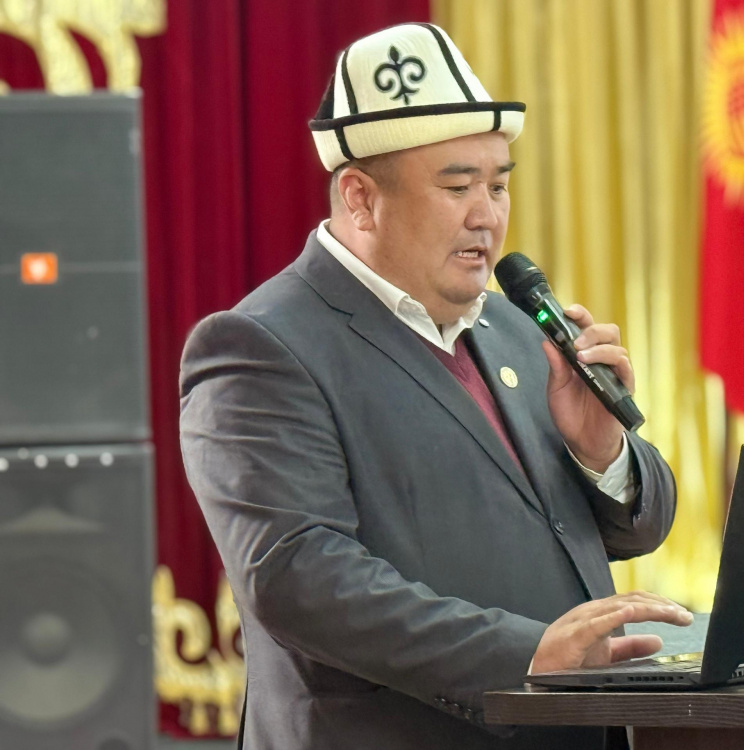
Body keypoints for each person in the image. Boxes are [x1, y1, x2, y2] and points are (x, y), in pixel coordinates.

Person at [180, 22, 689, 750]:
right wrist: (524, 658)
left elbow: (641, 526)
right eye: (457, 187)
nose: (488, 214)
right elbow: (297, 577)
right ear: (360, 198)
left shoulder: (516, 327)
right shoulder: (261, 347)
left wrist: (600, 452)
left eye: (498, 184)